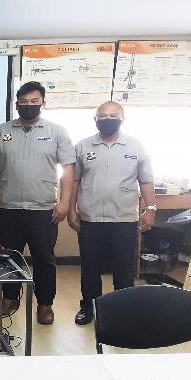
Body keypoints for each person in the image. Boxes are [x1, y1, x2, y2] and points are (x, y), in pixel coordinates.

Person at [0, 81, 76, 325]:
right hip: (8, 207)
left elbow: (68, 169)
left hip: (44, 209)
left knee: (44, 259)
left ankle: (45, 304)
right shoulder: (0, 131)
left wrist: (65, 203)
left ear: (43, 103)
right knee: (9, 257)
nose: (28, 105)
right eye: (23, 102)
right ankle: (10, 298)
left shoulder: (57, 131)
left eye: (34, 101)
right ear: (17, 103)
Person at [68, 101, 156, 325]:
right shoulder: (82, 147)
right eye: (103, 116)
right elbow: (74, 181)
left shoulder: (135, 147)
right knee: (90, 268)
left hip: (124, 219)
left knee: (124, 269)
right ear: (95, 120)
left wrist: (151, 208)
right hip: (91, 218)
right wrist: (71, 210)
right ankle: (89, 307)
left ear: (122, 119)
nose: (108, 120)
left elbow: (146, 180)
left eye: (113, 116)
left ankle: (122, 310)